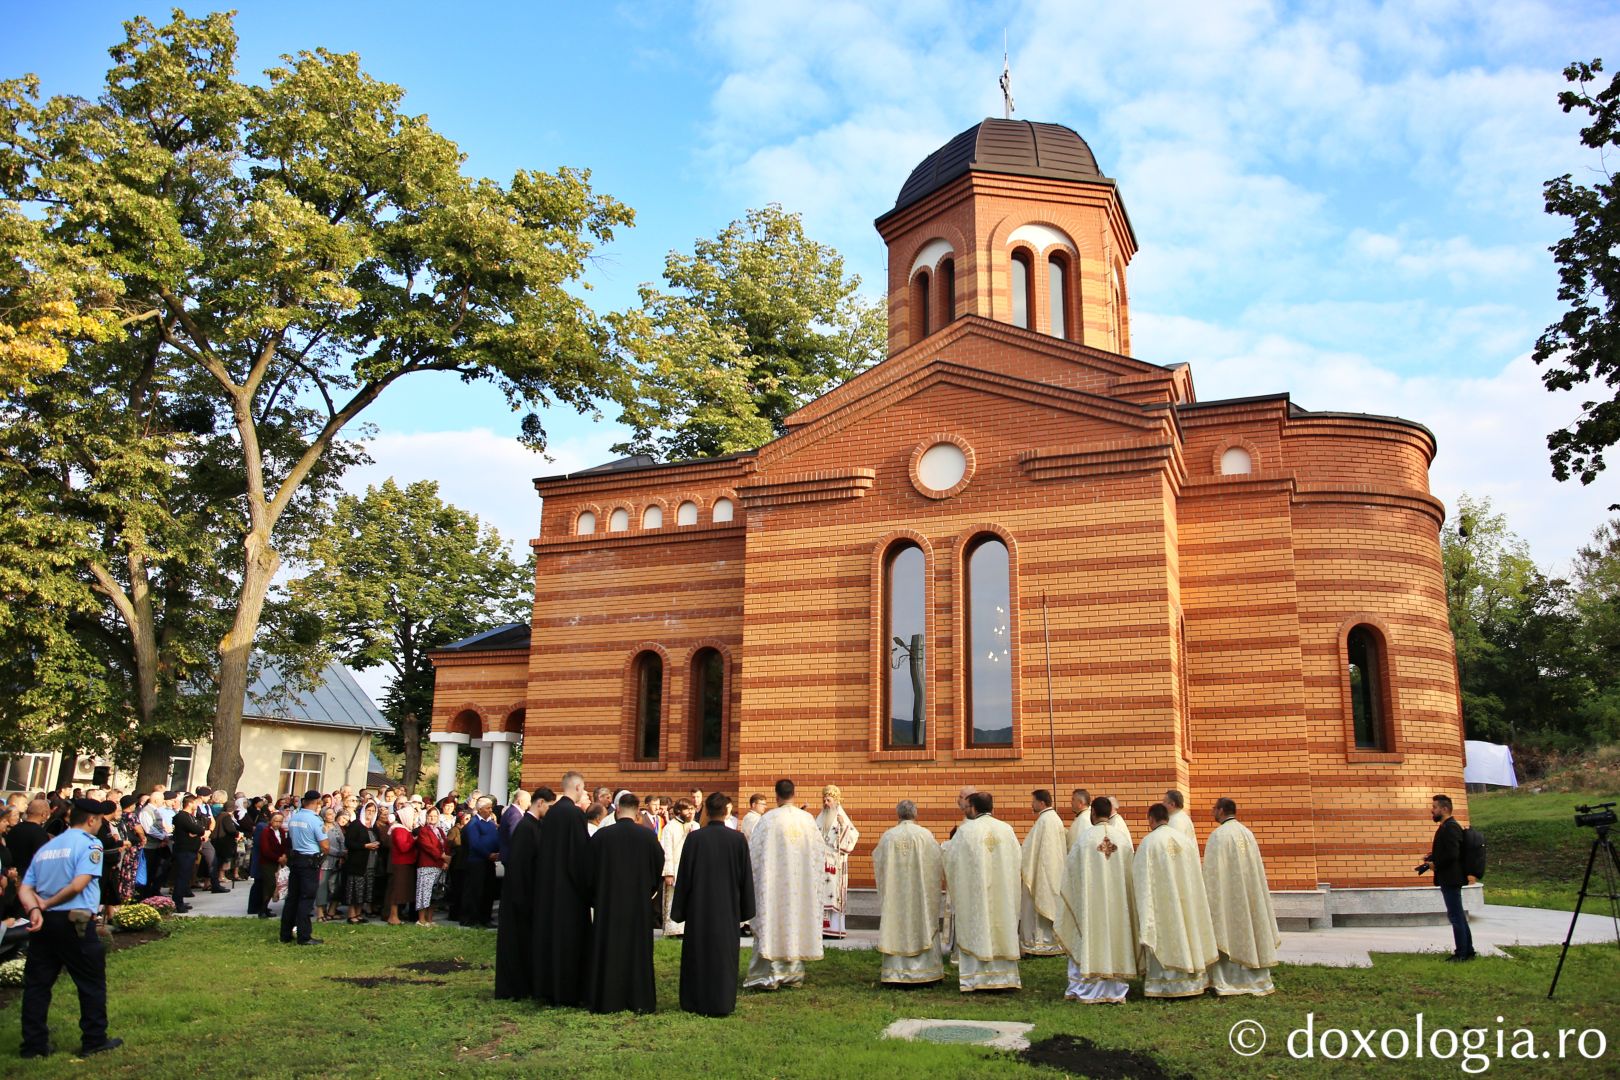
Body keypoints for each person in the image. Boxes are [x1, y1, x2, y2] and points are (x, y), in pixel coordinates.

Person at [16, 797, 123, 1058]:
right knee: (90, 982)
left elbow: (25, 888)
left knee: (38, 985)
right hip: (74, 922)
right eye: (99, 820)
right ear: (91, 820)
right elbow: (79, 884)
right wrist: (50, 903)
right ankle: (94, 1039)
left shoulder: (48, 847)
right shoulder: (90, 844)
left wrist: (35, 909)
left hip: (42, 923)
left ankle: (34, 1045)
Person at [664, 791, 754, 1016]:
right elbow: (746, 878)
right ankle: (721, 1001)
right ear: (726, 812)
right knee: (723, 956)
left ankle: (694, 1000)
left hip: (699, 908)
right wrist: (745, 910)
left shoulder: (695, 839)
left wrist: (680, 909)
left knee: (698, 953)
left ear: (706, 811)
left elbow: (684, 876)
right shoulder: (737, 840)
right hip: (727, 908)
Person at [587, 792, 665, 1014]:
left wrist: (596, 894)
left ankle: (607, 999)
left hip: (608, 902)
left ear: (618, 810)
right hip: (638, 904)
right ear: (638, 811)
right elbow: (657, 865)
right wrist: (647, 889)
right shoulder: (648, 837)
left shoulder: (602, 836)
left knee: (608, 949)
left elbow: (588, 869)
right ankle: (639, 999)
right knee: (637, 952)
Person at [744, 778, 826, 990]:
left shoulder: (768, 820)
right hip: (800, 887)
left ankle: (768, 975)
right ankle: (792, 975)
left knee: (773, 922)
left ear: (776, 795)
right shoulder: (807, 820)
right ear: (794, 793)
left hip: (774, 887)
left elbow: (754, 855)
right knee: (794, 924)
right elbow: (819, 854)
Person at [1055, 796, 1136, 1004]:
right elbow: (1130, 876)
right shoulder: (1123, 840)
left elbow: (1070, 875)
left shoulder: (1085, 839)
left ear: (1092, 813)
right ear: (1110, 813)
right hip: (1118, 907)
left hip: (1091, 906)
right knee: (1117, 938)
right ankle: (1115, 988)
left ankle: (1086, 988)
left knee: (1088, 937)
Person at [1133, 802, 1218, 998]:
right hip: (1187, 901)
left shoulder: (1148, 843)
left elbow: (1140, 877)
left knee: (1166, 938)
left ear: (1151, 819)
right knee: (1188, 933)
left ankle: (1166, 985)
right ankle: (1193, 981)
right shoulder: (1185, 841)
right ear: (1167, 818)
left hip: (1163, 905)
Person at [942, 791, 1022, 992]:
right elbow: (1017, 860)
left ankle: (976, 979)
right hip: (1001, 894)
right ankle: (1004, 978)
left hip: (975, 895)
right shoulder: (1006, 829)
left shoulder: (966, 831)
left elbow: (952, 860)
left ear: (974, 808)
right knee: (1001, 928)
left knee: (978, 927)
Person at [1203, 798, 1280, 995]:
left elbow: (1212, 874)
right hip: (1249, 894)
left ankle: (1228, 980)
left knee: (1228, 931)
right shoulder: (1247, 833)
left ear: (1221, 811)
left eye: (1214, 808)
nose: (1212, 811)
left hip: (1228, 898)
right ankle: (1257, 979)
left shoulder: (1218, 836)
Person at [532, 772, 594, 1007]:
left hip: (549, 887)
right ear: (577, 787)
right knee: (569, 942)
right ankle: (569, 991)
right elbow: (579, 854)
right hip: (569, 891)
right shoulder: (575, 814)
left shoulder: (552, 813)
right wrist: (587, 887)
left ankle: (548, 989)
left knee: (550, 938)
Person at [872, 799, 944, 985]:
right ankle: (926, 972)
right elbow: (937, 861)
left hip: (896, 896)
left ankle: (895, 973)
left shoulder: (889, 836)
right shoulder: (925, 835)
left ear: (898, 814)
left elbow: (878, 860)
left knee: (897, 924)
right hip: (920, 894)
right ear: (915, 814)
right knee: (922, 922)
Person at [494, 790, 545, 999]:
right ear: (540, 803)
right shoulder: (524, 826)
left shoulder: (530, 825)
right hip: (518, 895)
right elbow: (521, 864)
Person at [1419, 793, 1475, 962]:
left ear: (1444, 809)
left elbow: (1452, 854)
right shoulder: (1446, 826)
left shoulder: (1450, 827)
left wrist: (1435, 864)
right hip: (1449, 877)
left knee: (1456, 916)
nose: (1432, 810)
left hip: (1451, 878)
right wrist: (1432, 856)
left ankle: (1462, 953)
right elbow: (1447, 850)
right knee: (1458, 915)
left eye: (1435, 807)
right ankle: (1468, 950)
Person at [1019, 789, 1067, 957]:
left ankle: (1040, 945)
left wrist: (1019, 857)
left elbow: (1030, 849)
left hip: (1042, 872)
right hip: (1054, 871)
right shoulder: (1054, 819)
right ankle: (1050, 942)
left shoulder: (1045, 821)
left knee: (1036, 906)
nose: (1031, 804)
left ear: (1041, 803)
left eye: (1033, 801)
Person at [281, 790, 328, 946]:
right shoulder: (315, 820)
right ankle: (304, 936)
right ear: (315, 802)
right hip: (309, 862)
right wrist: (324, 854)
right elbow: (324, 845)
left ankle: (285, 934)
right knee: (306, 899)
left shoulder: (295, 817)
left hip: (296, 859)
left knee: (292, 898)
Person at [815, 785, 859, 938]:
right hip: (822, 865)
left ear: (836, 800)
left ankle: (835, 929)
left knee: (834, 895)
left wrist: (843, 825)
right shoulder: (820, 817)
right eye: (824, 800)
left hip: (836, 865)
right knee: (821, 896)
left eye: (829, 800)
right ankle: (822, 929)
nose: (826, 803)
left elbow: (854, 836)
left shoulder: (842, 816)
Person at [460, 798, 500, 928]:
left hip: (489, 862)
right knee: (475, 890)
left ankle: (485, 917)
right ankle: (471, 918)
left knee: (488, 890)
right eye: (488, 808)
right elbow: (475, 843)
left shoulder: (491, 823)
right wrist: (488, 854)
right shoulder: (474, 824)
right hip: (477, 862)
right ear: (481, 809)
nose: (490, 810)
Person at [660, 799, 697, 936]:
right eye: (687, 809)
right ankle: (673, 930)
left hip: (691, 869)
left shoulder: (696, 826)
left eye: (692, 809)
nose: (690, 812)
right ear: (678, 811)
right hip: (675, 868)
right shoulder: (670, 827)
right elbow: (666, 850)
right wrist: (668, 873)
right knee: (673, 898)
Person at [343, 803, 379, 923]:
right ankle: (351, 915)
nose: (370, 812)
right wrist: (365, 846)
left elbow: (379, 839)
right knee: (355, 889)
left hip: (371, 863)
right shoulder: (356, 824)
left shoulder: (374, 826)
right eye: (368, 810)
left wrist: (377, 844)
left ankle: (359, 913)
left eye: (373, 810)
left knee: (365, 890)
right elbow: (349, 843)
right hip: (357, 863)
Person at [386, 804, 419, 925]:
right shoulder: (399, 830)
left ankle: (396, 915)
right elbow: (403, 847)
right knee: (397, 890)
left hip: (405, 862)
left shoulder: (403, 830)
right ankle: (393, 916)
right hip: (401, 863)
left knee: (400, 890)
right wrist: (414, 840)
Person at [415, 807, 447, 925]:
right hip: (427, 865)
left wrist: (445, 861)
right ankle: (421, 919)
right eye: (430, 816)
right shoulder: (424, 831)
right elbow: (428, 846)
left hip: (439, 866)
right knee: (424, 892)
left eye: (435, 816)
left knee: (435, 893)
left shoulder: (440, 831)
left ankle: (430, 919)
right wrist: (442, 856)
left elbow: (445, 846)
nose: (432, 818)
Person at [250, 811, 286, 918]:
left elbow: (283, 844)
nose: (278, 824)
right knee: (270, 885)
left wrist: (284, 855)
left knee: (272, 885)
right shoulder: (266, 831)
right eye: (276, 821)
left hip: (278, 861)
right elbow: (265, 849)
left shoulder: (282, 832)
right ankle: (262, 909)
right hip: (267, 862)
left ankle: (265, 908)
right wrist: (278, 858)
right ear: (271, 821)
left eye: (280, 821)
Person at [7, 797, 50, 880]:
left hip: (12, 874)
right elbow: (41, 860)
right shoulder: (40, 833)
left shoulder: (15, 829)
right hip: (27, 878)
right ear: (44, 814)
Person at [316, 809, 347, 921]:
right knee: (322, 886)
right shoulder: (320, 827)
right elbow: (322, 845)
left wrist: (343, 854)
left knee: (336, 886)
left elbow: (342, 842)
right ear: (324, 816)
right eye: (329, 814)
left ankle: (331, 911)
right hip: (324, 860)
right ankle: (320, 913)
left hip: (337, 861)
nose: (332, 815)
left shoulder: (337, 827)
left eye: (333, 813)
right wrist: (338, 852)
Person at [1165, 789, 1198, 854]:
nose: (1162, 804)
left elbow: (1174, 848)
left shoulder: (1176, 821)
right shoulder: (1183, 816)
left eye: (1164, 802)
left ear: (1172, 804)